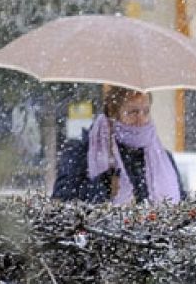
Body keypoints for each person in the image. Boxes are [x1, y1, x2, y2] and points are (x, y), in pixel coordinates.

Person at [53, 87, 185, 204]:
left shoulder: (163, 159)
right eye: (132, 112)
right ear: (113, 114)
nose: (141, 119)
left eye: (146, 111)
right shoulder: (82, 153)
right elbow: (62, 203)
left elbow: (180, 207)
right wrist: (103, 186)